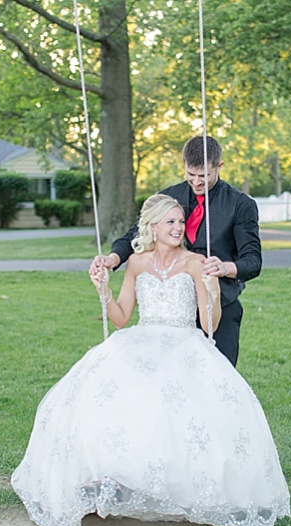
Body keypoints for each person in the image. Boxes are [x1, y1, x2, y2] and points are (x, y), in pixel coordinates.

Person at [10, 189, 290, 526]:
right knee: (112, 397)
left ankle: (185, 487)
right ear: (153, 227)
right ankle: (111, 479)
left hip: (184, 341)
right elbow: (121, 318)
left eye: (180, 221)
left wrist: (213, 289)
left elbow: (210, 325)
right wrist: (104, 291)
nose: (178, 227)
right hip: (140, 339)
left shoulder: (195, 263)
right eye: (170, 222)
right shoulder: (138, 262)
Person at [94, 135, 261, 369]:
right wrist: (114, 258)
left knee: (216, 379)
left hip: (219, 305)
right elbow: (136, 232)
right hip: (170, 313)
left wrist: (226, 267)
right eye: (190, 174)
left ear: (219, 167)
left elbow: (253, 261)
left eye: (203, 176)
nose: (196, 182)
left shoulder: (240, 204)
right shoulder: (169, 196)